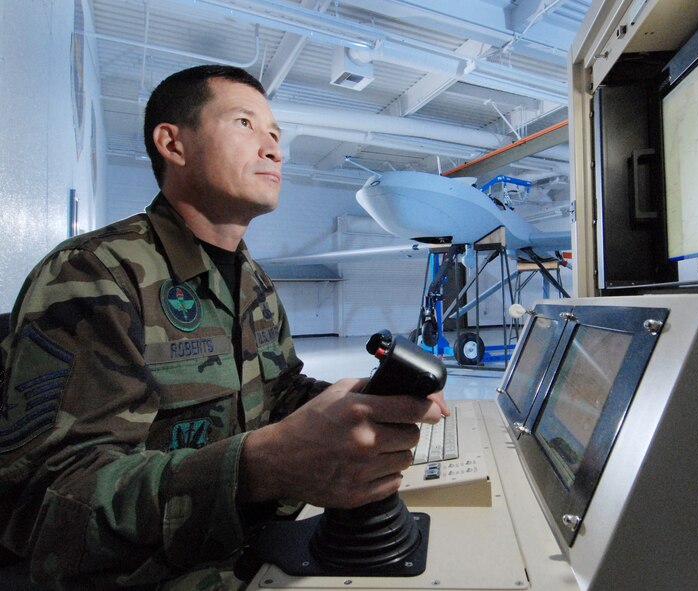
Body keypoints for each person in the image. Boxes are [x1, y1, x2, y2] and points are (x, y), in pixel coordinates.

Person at [0, 65, 447, 590]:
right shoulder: (93, 275)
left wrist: (362, 405)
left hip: (260, 552)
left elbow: (279, 391)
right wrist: (261, 466)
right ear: (173, 143)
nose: (274, 149)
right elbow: (47, 506)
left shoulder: (252, 280)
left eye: (276, 136)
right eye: (245, 123)